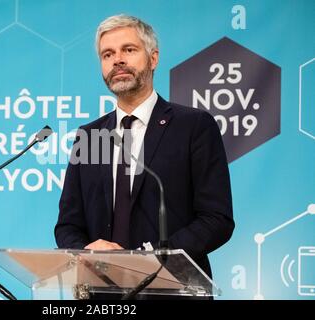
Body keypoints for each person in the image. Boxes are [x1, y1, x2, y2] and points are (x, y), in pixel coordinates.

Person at [54, 14, 234, 291]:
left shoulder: (193, 126)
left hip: (173, 289)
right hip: (103, 293)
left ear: (153, 58)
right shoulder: (90, 136)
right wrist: (87, 251)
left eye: (129, 49)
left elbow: (216, 219)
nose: (117, 60)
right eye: (107, 54)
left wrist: (149, 259)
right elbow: (67, 225)